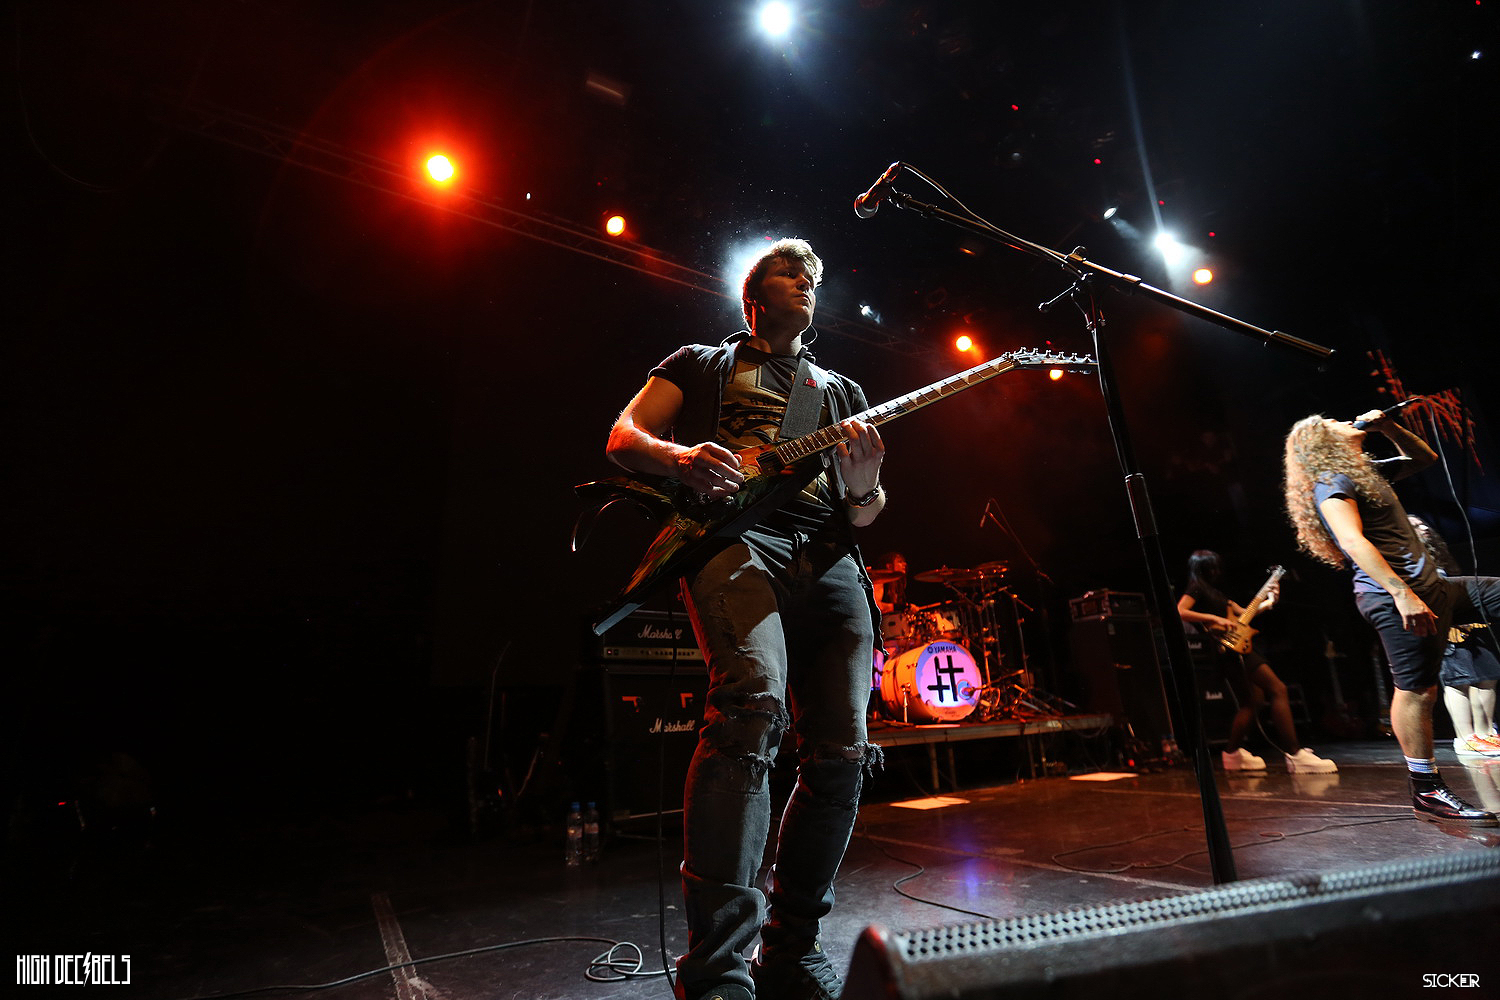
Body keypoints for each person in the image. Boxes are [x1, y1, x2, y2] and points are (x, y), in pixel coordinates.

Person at [606, 238, 887, 1000]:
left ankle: (790, 950)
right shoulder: (700, 362)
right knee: (752, 707)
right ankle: (718, 970)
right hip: (735, 538)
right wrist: (681, 459)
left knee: (844, 750)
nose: (806, 283)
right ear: (752, 296)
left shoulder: (840, 389)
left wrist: (865, 487)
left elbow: (867, 510)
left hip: (826, 551)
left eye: (813, 278)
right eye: (789, 274)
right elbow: (623, 438)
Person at [1283, 410, 1498, 826]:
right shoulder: (1333, 480)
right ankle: (1427, 790)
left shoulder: (1366, 473)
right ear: (1323, 442)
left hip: (1436, 586)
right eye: (1333, 423)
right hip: (1392, 595)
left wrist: (1388, 426)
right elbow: (1350, 539)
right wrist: (1402, 594)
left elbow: (1424, 458)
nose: (1346, 422)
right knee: (1418, 690)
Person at [1176, 550, 1337, 774]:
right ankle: (1295, 753)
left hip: (1237, 647)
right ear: (1203, 568)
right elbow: (1180, 611)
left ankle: (1232, 754)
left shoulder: (1216, 593)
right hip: (1230, 649)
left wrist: (1270, 601)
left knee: (1252, 702)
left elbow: (1246, 613)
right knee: (1278, 689)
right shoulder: (1196, 587)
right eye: (1211, 567)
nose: (1215, 571)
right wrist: (1213, 618)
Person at [1407, 516, 1500, 759]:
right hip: (1443, 624)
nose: (1423, 527)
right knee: (1458, 680)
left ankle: (1486, 733)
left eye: (1422, 523)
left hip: (1466, 621)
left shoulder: (1439, 557)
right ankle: (1465, 737)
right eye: (1415, 526)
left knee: (1487, 677)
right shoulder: (1407, 559)